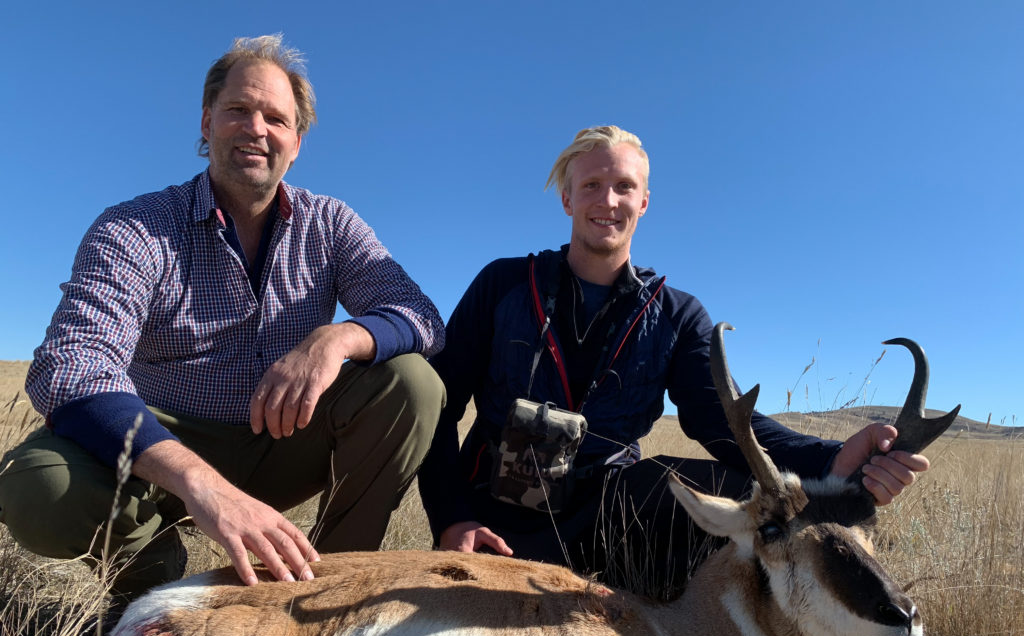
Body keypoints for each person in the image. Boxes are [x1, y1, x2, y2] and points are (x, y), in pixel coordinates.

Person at [0, 35, 445, 599]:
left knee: (411, 383)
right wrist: (199, 483)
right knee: (39, 484)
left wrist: (337, 338)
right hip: (161, 451)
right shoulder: (137, 226)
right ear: (207, 123)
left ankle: (324, 589)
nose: (256, 128)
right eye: (238, 110)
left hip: (279, 441)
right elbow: (72, 366)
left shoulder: (331, 224)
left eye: (276, 118)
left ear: (297, 142)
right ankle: (154, 591)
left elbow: (420, 315)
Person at [418, 125, 927, 598]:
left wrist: (829, 461)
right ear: (568, 198)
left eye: (623, 186)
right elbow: (438, 406)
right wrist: (452, 518)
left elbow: (719, 420)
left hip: (608, 516)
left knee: (754, 503)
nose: (608, 200)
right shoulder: (502, 285)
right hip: (495, 517)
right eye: (592, 185)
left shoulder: (677, 314)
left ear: (644, 202)